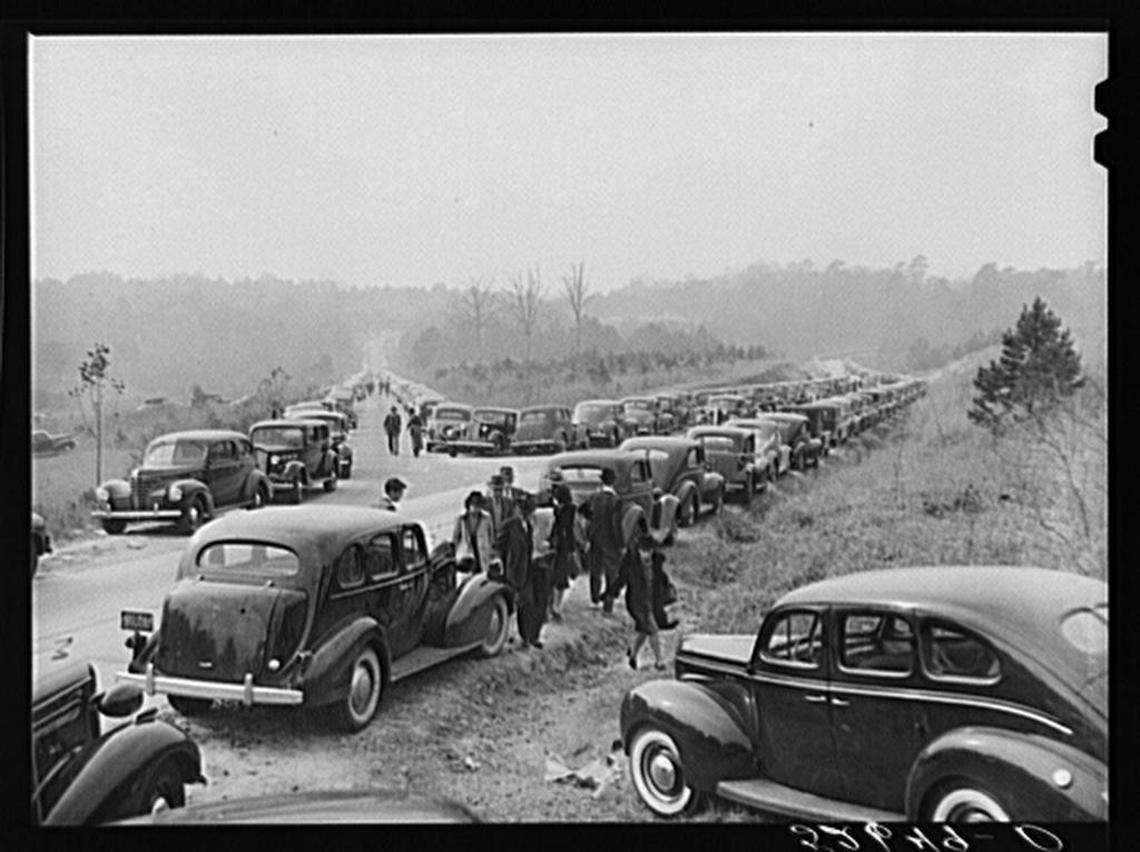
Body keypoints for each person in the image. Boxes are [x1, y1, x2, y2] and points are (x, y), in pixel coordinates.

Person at [496, 491, 537, 645]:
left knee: (526, 604)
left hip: (526, 570)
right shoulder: (509, 525)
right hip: (511, 571)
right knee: (512, 605)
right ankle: (509, 635)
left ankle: (525, 637)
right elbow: (498, 546)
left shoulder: (529, 526)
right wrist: (501, 564)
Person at [623, 527, 666, 670]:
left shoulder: (656, 562)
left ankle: (633, 655)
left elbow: (660, 578)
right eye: (643, 551)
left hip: (649, 601)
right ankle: (659, 661)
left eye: (649, 551)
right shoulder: (632, 565)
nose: (646, 554)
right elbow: (621, 579)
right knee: (653, 629)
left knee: (644, 631)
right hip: (637, 602)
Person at [585, 467, 624, 614]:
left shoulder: (594, 497)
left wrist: (590, 534)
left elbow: (587, 515)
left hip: (596, 538)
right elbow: (616, 524)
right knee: (611, 572)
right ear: (613, 482)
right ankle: (608, 604)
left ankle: (594, 599)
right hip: (610, 540)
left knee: (595, 570)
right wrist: (620, 543)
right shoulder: (616, 500)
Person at [547, 481, 578, 623]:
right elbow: (570, 530)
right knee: (560, 578)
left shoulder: (557, 510)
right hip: (563, 547)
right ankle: (556, 607)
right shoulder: (570, 510)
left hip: (557, 546)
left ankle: (553, 607)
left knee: (555, 578)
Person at [452, 491, 493, 574]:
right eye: (473, 504)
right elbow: (455, 539)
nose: (476, 508)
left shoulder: (487, 518)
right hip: (468, 558)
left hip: (483, 556)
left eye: (478, 505)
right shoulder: (461, 519)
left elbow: (491, 537)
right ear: (469, 505)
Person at [485, 473, 516, 546]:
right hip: (488, 540)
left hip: (505, 540)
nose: (498, 493)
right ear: (490, 490)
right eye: (495, 490)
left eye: (500, 490)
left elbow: (512, 520)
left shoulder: (508, 503)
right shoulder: (483, 504)